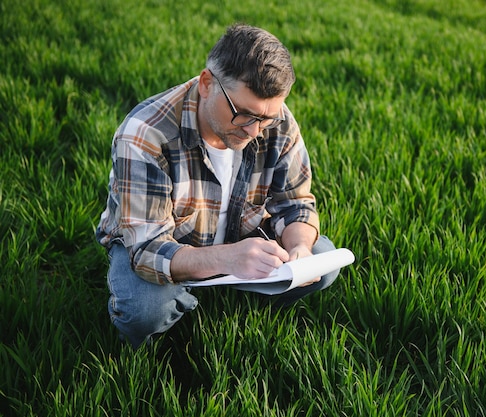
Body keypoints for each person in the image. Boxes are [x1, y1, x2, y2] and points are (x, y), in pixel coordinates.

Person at [95, 24, 341, 348]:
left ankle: (247, 294)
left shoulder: (272, 118)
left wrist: (299, 249)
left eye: (267, 118)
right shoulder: (145, 134)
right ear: (207, 84)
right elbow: (147, 249)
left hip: (242, 233)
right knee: (144, 310)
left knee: (322, 259)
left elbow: (295, 204)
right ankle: (181, 308)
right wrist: (227, 259)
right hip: (169, 244)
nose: (255, 130)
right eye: (244, 114)